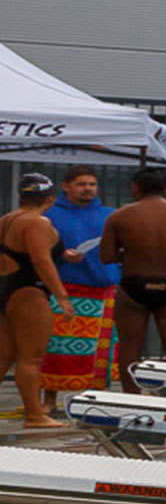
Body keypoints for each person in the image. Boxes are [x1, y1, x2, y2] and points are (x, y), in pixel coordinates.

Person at [100, 166, 166, 390]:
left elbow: (106, 256)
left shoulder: (119, 216)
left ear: (135, 188)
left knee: (130, 349)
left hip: (134, 285)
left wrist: (133, 252)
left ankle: (131, 398)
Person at [41, 168, 117, 396]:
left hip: (104, 292)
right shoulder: (49, 216)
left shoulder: (110, 215)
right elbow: (37, 253)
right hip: (64, 290)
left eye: (92, 184)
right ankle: (49, 399)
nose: (88, 189)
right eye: (81, 184)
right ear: (66, 186)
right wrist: (61, 255)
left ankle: (98, 398)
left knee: (102, 351)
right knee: (56, 348)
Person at [2, 174, 64, 427]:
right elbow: (41, 261)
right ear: (50, 199)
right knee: (31, 357)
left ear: (21, 196)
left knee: (3, 356)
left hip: (6, 288)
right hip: (28, 292)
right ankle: (35, 414)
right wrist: (62, 296)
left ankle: (35, 413)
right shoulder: (38, 222)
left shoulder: (6, 219)